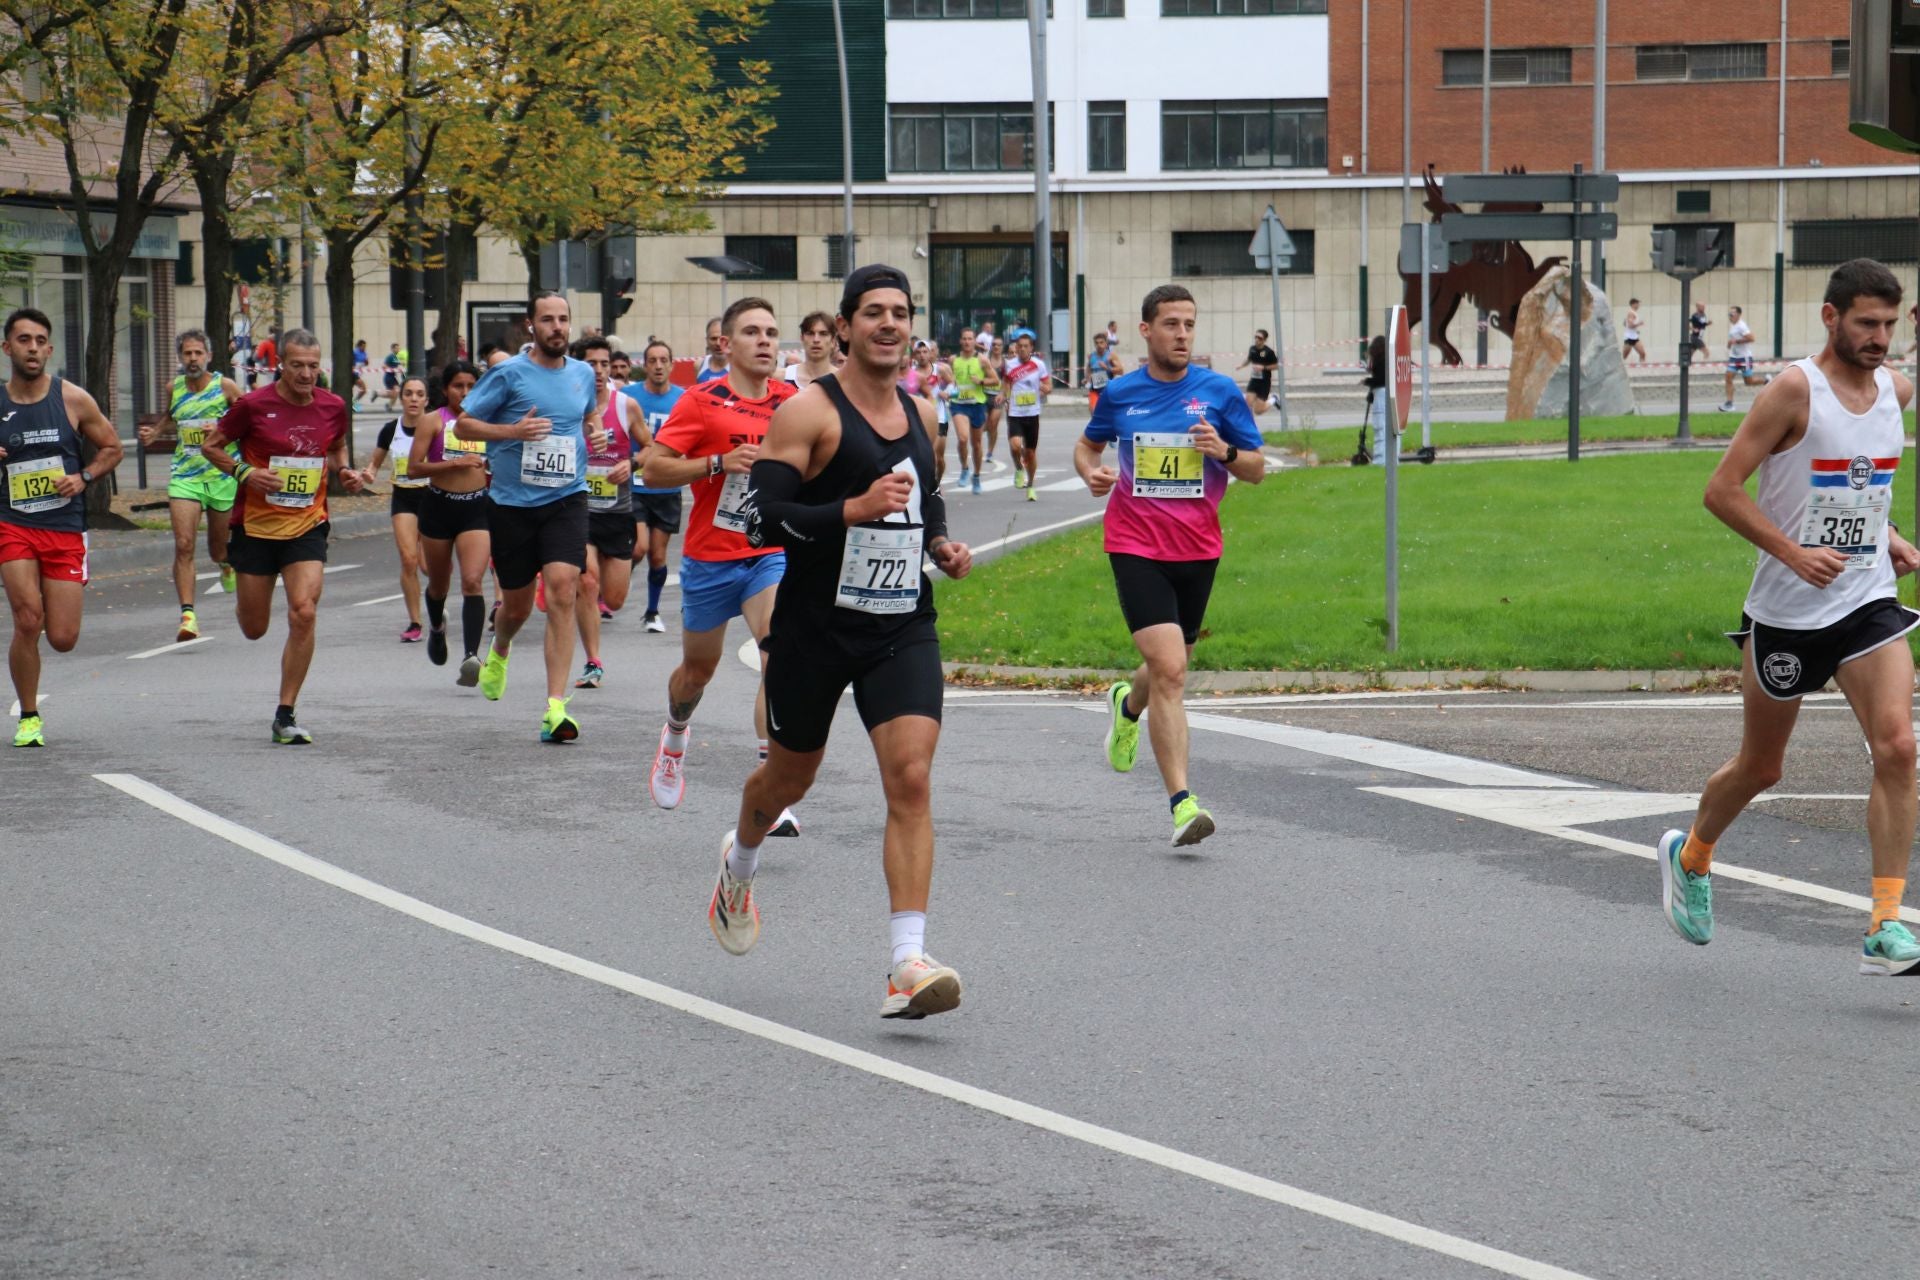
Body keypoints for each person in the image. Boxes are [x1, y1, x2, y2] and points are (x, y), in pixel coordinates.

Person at [720, 263, 975, 1019]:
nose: (889, 324)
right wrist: (850, 509)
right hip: (815, 630)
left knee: (912, 778)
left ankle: (907, 963)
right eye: (873, 313)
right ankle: (739, 864)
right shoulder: (809, 414)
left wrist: (940, 545)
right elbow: (760, 521)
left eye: (899, 312)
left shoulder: (922, 414)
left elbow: (923, 498)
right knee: (787, 782)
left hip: (901, 624)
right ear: (845, 327)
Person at [1659, 258, 1920, 975]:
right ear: (1831, 318)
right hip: (1788, 609)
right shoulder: (1793, 391)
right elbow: (1723, 491)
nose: (1879, 338)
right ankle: (1693, 855)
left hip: (1865, 599)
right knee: (1762, 766)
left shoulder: (1896, 391)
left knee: (1898, 747)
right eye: (1867, 323)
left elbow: (1863, 484)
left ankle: (1884, 924)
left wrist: (1886, 536)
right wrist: (1794, 553)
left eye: (1890, 325)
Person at [1074, 284, 1267, 846]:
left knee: (1167, 668)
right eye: (1171, 325)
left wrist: (1224, 452)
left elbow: (1256, 469)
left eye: (1189, 324)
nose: (1182, 334)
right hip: (1134, 543)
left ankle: (1125, 706)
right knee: (1173, 670)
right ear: (1146, 332)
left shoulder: (1218, 393)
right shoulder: (1120, 394)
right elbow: (1088, 447)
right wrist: (1092, 472)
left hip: (1198, 548)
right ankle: (1184, 804)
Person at [642, 296, 798, 833]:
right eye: (752, 332)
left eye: (772, 333)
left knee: (778, 651)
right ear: (727, 344)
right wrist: (717, 462)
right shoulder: (701, 402)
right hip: (711, 558)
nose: (765, 342)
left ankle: (770, 784)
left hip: (768, 551)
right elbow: (652, 468)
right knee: (696, 674)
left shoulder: (793, 401)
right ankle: (675, 734)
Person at [198, 328, 362, 744]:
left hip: (307, 524)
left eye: (313, 365)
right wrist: (246, 473)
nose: (307, 374)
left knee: (303, 611)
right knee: (254, 627)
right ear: (280, 366)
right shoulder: (253, 406)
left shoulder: (333, 406)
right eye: (297, 366)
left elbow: (337, 446)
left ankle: (285, 714)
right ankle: (239, 587)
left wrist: (344, 471)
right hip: (255, 527)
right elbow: (212, 447)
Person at [455, 292, 603, 743]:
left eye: (563, 320)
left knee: (563, 589)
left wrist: (592, 433)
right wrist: (512, 431)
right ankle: (500, 649)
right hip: (512, 506)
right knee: (517, 607)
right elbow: (463, 425)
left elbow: (587, 416)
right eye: (548, 320)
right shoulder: (508, 374)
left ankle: (555, 708)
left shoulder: (582, 374)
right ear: (531, 326)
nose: (557, 327)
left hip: (567, 499)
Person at [0, 307, 122, 748]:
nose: (32, 348)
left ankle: (51, 601)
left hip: (64, 526)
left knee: (64, 638)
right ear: (7, 347)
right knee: (26, 618)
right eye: (23, 339)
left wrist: (84, 477)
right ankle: (29, 716)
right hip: (12, 523)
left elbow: (111, 447)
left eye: (39, 341)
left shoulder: (73, 399)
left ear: (49, 349)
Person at [137, 328, 241, 642]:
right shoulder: (175, 386)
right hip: (185, 477)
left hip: (221, 477)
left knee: (217, 549)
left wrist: (222, 426)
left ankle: (225, 564)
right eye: (187, 353)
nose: (192, 359)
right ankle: (188, 616)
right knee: (184, 544)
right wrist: (155, 432)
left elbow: (250, 418)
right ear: (180, 357)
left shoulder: (225, 387)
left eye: (198, 353)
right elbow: (172, 413)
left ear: (208, 356)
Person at [409, 359, 493, 683]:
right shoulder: (433, 421)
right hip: (439, 507)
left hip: (476, 508)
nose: (465, 392)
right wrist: (454, 463)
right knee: (439, 584)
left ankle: (471, 656)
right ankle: (437, 627)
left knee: (472, 580)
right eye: (459, 386)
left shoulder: (486, 421)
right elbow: (414, 468)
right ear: (445, 389)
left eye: (472, 386)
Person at [570, 335, 641, 688]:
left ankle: (584, 600)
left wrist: (632, 463)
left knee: (613, 597)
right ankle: (593, 661)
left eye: (603, 364)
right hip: (577, 510)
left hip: (617, 511)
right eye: (590, 364)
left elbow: (655, 450)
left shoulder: (626, 406)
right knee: (588, 580)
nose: (598, 371)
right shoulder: (566, 405)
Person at [362, 375, 431, 643]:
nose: (414, 399)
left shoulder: (435, 427)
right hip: (404, 498)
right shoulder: (391, 429)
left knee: (429, 567)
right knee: (408, 559)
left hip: (432, 499)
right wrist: (368, 474)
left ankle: (436, 606)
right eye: (409, 393)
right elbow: (375, 464)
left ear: (426, 399)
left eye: (419, 394)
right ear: (401, 398)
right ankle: (415, 621)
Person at [623, 340, 684, 634]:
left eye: (664, 360)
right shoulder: (629, 397)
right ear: (644, 365)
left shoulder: (683, 399)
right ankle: (618, 581)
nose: (658, 365)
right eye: (652, 360)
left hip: (666, 486)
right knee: (638, 548)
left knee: (658, 557)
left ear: (671, 364)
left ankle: (651, 611)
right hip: (634, 485)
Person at [947, 328, 996, 494]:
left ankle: (976, 476)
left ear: (975, 341)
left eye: (970, 339)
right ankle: (965, 468)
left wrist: (981, 381)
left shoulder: (982, 360)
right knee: (962, 438)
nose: (967, 342)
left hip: (977, 404)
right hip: (958, 403)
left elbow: (995, 380)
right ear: (960, 341)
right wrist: (948, 388)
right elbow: (947, 380)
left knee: (976, 444)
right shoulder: (953, 360)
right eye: (964, 339)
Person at [1001, 328, 1049, 498]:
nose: (1022, 349)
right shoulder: (1009, 365)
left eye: (1025, 346)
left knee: (1030, 453)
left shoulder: (1039, 365)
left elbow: (1048, 386)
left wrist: (1044, 389)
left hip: (1032, 413)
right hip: (1015, 412)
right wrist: (1003, 396)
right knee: (1015, 445)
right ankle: (1019, 468)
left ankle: (1031, 484)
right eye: (1019, 346)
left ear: (1031, 348)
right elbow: (1006, 384)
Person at [1720, 305, 1770, 411]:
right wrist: (1730, 344)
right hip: (1734, 358)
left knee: (1749, 382)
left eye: (1732, 314)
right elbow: (1733, 340)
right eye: (1729, 314)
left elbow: (1752, 338)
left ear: (1738, 314)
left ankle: (1766, 381)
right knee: (1728, 378)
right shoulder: (1733, 326)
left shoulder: (1741, 326)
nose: (1730, 316)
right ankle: (1729, 404)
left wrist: (1737, 341)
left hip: (1744, 358)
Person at [783, 310, 837, 389]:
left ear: (833, 341)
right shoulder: (784, 376)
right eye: (810, 333)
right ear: (802, 338)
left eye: (823, 334)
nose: (816, 340)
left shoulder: (845, 381)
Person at [978, 320, 1003, 469]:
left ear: (1002, 347)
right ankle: (980, 448)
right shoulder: (985, 361)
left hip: (998, 397)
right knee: (984, 425)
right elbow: (979, 377)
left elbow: (1007, 381)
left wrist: (1003, 393)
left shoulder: (1006, 363)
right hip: (985, 395)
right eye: (994, 345)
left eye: (999, 345)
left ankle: (990, 451)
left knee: (993, 424)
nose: (996, 347)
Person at [1359, 334, 1388, 465]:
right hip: (1382, 394)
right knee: (1386, 429)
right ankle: (1387, 458)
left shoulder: (1381, 363)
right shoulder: (1387, 360)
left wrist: (1367, 381)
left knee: (1380, 428)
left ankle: (1380, 459)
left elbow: (1381, 380)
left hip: (1381, 396)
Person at [1237, 328, 1278, 414]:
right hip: (1254, 380)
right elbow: (1249, 359)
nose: (1257, 339)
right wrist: (1241, 366)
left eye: (1260, 338)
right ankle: (1249, 426)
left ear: (1265, 340)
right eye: (1256, 337)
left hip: (1264, 383)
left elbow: (1276, 366)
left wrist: (1263, 367)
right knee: (1247, 405)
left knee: (1258, 411)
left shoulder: (1269, 352)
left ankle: (1273, 399)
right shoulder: (1252, 349)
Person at [1085, 330, 1120, 413]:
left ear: (1106, 343)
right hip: (1094, 388)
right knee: (1093, 410)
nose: (1099, 345)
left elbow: (1120, 370)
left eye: (1101, 342)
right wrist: (1087, 378)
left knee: (1107, 412)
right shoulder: (1091, 356)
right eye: (1096, 343)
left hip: (1107, 389)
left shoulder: (1111, 356)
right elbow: (1088, 368)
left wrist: (1107, 368)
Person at [696, 317, 728, 383]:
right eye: (713, 338)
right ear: (707, 340)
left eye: (722, 338)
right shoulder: (699, 364)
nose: (718, 343)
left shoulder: (739, 366)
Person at [382, 343, 402, 408]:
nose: (398, 349)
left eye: (399, 348)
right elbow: (384, 366)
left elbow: (398, 365)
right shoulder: (390, 356)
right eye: (397, 348)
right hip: (389, 378)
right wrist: (391, 369)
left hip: (393, 377)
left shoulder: (396, 357)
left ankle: (389, 406)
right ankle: (377, 394)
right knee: (395, 392)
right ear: (392, 349)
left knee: (396, 392)